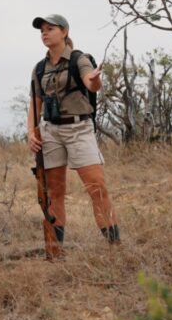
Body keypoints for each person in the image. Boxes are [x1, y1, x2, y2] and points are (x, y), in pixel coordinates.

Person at [26, 14, 122, 245]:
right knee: (54, 191)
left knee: (96, 186)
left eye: (50, 29)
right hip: (51, 132)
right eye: (42, 30)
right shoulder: (39, 68)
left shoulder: (79, 59)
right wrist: (31, 132)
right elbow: (35, 103)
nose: (45, 33)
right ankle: (55, 249)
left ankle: (114, 247)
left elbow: (91, 83)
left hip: (79, 128)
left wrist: (96, 80)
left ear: (64, 32)